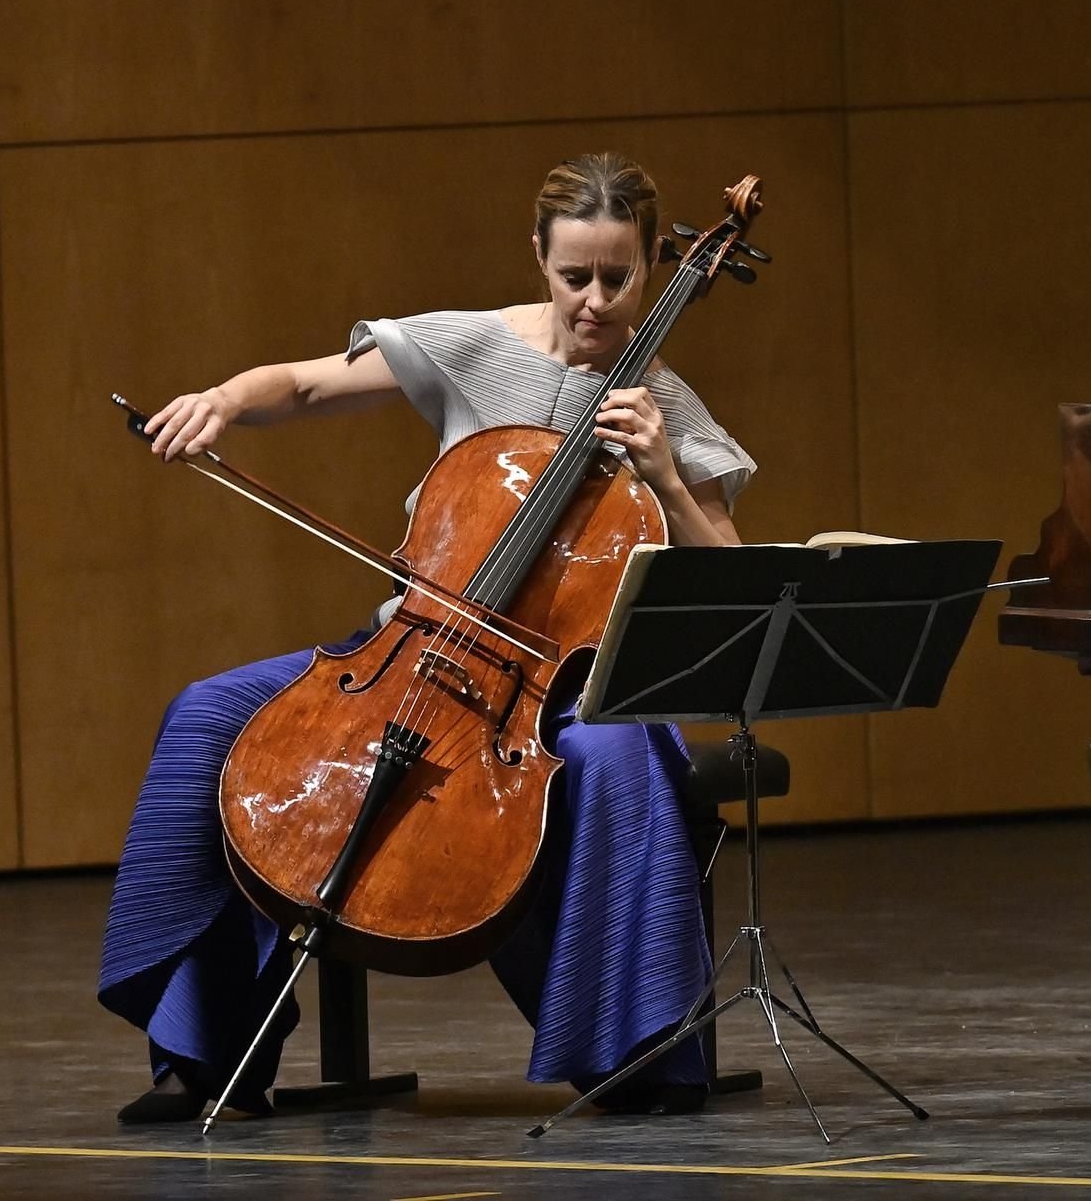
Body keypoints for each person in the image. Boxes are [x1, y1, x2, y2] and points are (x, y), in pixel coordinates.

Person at [100, 153, 754, 1123]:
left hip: (558, 688)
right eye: (575, 274)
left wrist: (659, 471)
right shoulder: (472, 346)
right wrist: (226, 402)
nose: (595, 300)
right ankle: (208, 1051)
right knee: (207, 714)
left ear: (653, 270)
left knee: (619, 756)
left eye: (619, 277)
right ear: (538, 258)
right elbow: (308, 386)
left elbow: (729, 576)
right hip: (412, 644)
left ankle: (638, 1054)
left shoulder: (663, 405)